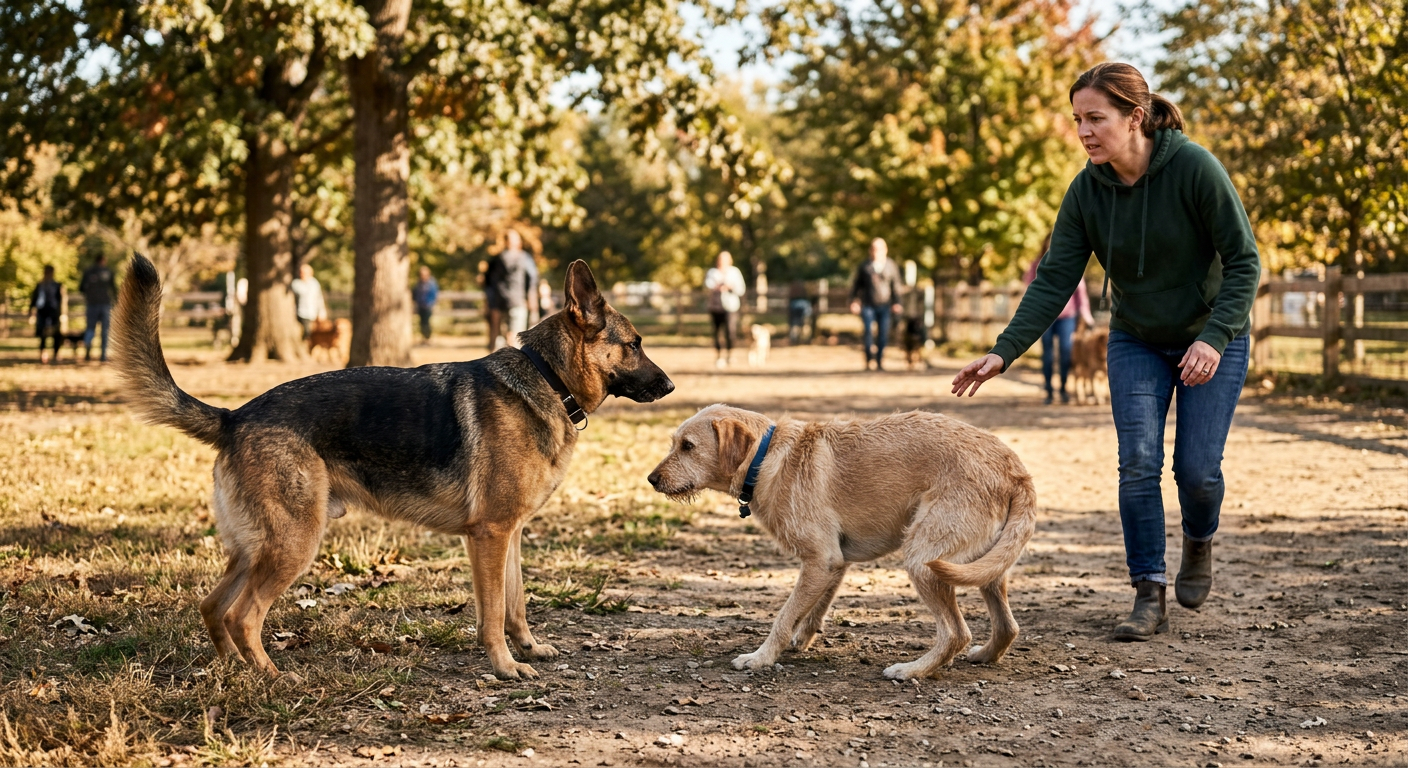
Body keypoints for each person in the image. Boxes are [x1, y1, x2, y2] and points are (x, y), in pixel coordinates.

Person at [950, 63, 1260, 641]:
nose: (1084, 131)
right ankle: (1148, 590)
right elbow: (1053, 279)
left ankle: (1199, 538)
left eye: (1096, 118)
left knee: (1197, 472)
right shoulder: (1086, 189)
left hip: (1212, 337)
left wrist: (1213, 338)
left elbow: (1245, 262)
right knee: (1138, 463)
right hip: (1137, 338)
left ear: (1135, 117)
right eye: (1078, 120)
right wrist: (1003, 353)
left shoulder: (1194, 168)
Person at [1024, 236, 1095, 404]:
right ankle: (1048, 389)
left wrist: (1086, 316)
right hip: (1044, 316)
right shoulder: (1036, 265)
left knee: (1066, 352)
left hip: (1067, 316)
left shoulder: (1072, 263)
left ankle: (1063, 387)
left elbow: (1081, 293)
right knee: (1047, 353)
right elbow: (1029, 290)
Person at [849, 238, 904, 371]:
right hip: (868, 305)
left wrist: (897, 302)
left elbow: (896, 286)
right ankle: (869, 359)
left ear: (885, 250)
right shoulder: (865, 266)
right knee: (868, 331)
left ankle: (879, 361)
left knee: (883, 334)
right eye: (873, 249)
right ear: (870, 250)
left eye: (879, 249)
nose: (876, 252)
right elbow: (857, 286)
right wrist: (854, 301)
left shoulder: (891, 266)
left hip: (885, 305)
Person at [483, 229, 539, 350]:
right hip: (518, 301)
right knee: (515, 335)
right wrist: (531, 299)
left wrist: (490, 302)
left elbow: (488, 283)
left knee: (500, 336)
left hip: (499, 302)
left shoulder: (496, 259)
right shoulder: (525, 258)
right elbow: (533, 278)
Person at [704, 250, 747, 368]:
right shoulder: (712, 272)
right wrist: (717, 287)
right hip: (715, 307)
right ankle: (719, 356)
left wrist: (730, 287)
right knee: (717, 332)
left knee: (730, 331)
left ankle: (730, 354)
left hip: (731, 307)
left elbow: (741, 289)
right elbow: (708, 285)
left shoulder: (734, 272)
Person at [79, 252, 117, 362]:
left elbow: (81, 288)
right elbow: (114, 289)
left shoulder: (88, 272)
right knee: (104, 331)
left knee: (90, 329)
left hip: (92, 304)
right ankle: (103, 355)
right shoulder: (108, 272)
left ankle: (87, 353)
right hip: (105, 304)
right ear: (103, 260)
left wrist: (89, 295)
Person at [29, 265, 64, 364]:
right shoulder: (40, 285)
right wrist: (31, 312)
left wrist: (61, 313)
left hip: (53, 312)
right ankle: (43, 353)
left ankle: (56, 353)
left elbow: (60, 300)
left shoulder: (57, 286)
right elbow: (34, 299)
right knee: (42, 333)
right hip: (42, 312)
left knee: (56, 334)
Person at [290, 264, 326, 339]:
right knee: (306, 331)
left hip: (312, 312)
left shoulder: (314, 284)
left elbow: (318, 298)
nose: (302, 274)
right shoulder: (296, 284)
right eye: (301, 272)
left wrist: (321, 311)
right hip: (301, 312)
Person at [412, 265, 439, 345]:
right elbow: (415, 294)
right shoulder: (418, 284)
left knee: (427, 322)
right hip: (420, 305)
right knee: (421, 322)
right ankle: (423, 338)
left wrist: (431, 303)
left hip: (428, 306)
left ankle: (428, 338)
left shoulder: (431, 283)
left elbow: (434, 294)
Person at [787, 280, 813, 345]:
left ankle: (795, 336)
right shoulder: (806, 291)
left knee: (795, 321)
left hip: (795, 307)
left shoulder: (793, 291)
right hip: (802, 307)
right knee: (805, 320)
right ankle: (805, 335)